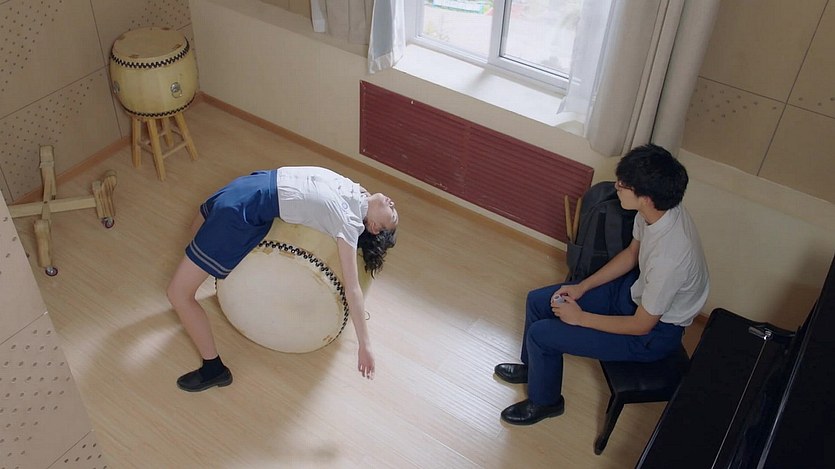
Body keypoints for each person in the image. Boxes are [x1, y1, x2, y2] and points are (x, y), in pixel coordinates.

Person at [494, 144, 709, 425]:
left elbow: (641, 325)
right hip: (632, 293)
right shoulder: (657, 211)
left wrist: (580, 317)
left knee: (542, 334)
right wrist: (582, 287)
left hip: (653, 334)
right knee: (538, 300)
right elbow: (631, 254)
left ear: (645, 197)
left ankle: (545, 402)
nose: (616, 186)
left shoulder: (671, 257)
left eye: (623, 184)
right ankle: (534, 369)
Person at [167, 166, 398, 392]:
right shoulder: (357, 193)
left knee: (178, 294)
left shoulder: (349, 223)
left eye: (392, 215)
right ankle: (206, 267)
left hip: (244, 210)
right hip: (251, 184)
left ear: (374, 227)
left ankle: (214, 370)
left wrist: (365, 345)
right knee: (196, 227)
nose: (392, 204)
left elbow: (353, 290)